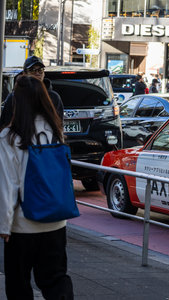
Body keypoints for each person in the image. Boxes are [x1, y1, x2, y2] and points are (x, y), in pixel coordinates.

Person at [0, 75, 74, 299]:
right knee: (55, 279)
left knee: (18, 283)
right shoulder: (56, 132)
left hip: (23, 225)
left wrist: (4, 225)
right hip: (56, 221)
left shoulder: (9, 136)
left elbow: (8, 185)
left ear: (16, 101)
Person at [0, 56, 63, 128]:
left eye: (40, 70)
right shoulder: (14, 98)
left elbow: (59, 126)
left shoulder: (54, 97)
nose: (37, 73)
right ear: (24, 73)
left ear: (44, 73)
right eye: (32, 70)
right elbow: (4, 126)